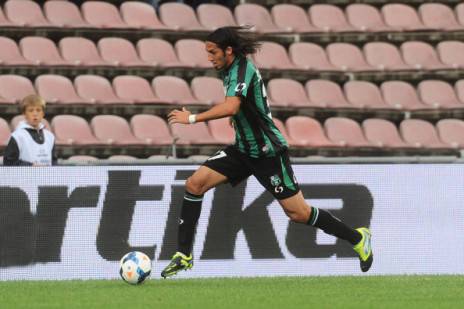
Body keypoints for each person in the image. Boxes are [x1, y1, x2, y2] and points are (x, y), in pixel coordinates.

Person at [161, 26, 372, 278]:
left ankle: (358, 238)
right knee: (195, 184)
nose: (209, 57)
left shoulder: (242, 69)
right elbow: (241, 106)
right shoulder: (229, 69)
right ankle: (183, 256)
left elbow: (231, 105)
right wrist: (239, 119)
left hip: (268, 153)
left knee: (298, 213)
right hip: (242, 150)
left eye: (213, 52)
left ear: (229, 51)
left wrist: (193, 118)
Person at [3, 94, 57, 166]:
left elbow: (54, 162)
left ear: (43, 113)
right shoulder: (18, 136)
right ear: (24, 114)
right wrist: (30, 166)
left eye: (38, 110)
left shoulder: (50, 136)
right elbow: (8, 162)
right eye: (31, 110)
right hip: (25, 177)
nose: (35, 114)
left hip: (46, 177)